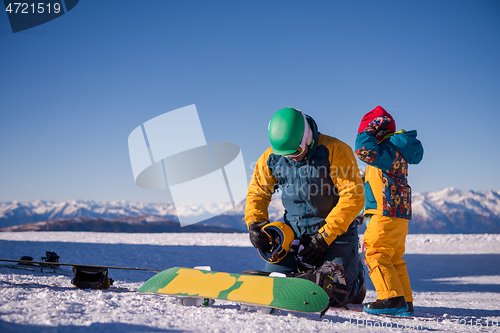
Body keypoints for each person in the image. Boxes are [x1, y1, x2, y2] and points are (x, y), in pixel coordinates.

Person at [245, 107, 366, 307]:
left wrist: (324, 237)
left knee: (332, 294)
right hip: (293, 235)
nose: (292, 157)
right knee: (275, 288)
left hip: (335, 235)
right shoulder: (271, 157)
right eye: (287, 154)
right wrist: (255, 224)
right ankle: (305, 272)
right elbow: (258, 192)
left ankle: (356, 278)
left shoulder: (335, 150)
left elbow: (352, 197)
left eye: (296, 152)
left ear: (307, 138)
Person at [354, 106, 424, 316]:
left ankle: (391, 298)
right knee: (393, 258)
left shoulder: (386, 151)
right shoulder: (396, 152)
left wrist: (367, 132)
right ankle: (405, 300)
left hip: (384, 214)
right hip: (398, 216)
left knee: (375, 253)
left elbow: (362, 149)